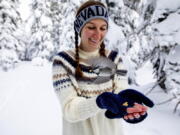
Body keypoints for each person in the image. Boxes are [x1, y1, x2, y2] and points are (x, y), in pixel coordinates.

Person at [52, 1, 154, 135]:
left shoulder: (114, 59)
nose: (98, 34)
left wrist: (127, 107)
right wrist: (99, 101)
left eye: (102, 28)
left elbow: (119, 97)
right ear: (80, 28)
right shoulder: (63, 61)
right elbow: (70, 109)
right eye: (91, 27)